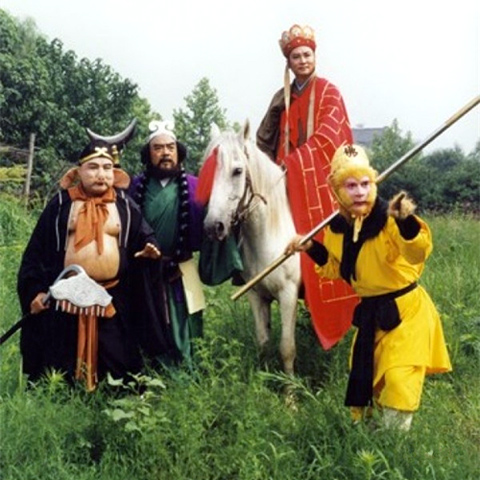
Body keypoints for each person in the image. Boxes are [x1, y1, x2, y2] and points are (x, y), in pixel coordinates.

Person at [285, 144, 452, 430]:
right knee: (368, 379)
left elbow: (418, 253)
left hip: (407, 314)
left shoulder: (390, 219)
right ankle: (370, 438)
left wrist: (406, 221)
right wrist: (311, 247)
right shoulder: (337, 228)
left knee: (399, 378)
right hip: (371, 316)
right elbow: (338, 269)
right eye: (350, 186)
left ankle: (396, 444)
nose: (360, 192)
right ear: (336, 190)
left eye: (365, 184)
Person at [17, 120, 161, 391]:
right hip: (65, 298)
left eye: (107, 168)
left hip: (111, 296)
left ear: (115, 173)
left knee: (118, 365)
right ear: (78, 172)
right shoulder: (60, 205)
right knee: (57, 367)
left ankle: (115, 396)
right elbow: (35, 253)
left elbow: (145, 236)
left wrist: (149, 249)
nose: (100, 174)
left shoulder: (125, 205)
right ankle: (60, 398)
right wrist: (34, 291)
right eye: (93, 167)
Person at [256, 23, 358, 350]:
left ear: (314, 57)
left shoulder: (329, 91)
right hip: (285, 180)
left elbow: (330, 135)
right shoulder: (282, 98)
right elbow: (265, 139)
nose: (302, 61)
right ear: (288, 62)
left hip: (320, 182)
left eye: (306, 55)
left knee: (331, 239)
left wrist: (295, 161)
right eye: (296, 57)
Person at [129, 120, 205, 368]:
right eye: (158, 148)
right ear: (148, 154)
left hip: (182, 266)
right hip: (145, 268)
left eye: (170, 148)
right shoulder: (134, 187)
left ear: (178, 152)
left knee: (187, 316)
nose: (165, 153)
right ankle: (151, 369)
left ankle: (187, 367)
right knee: (147, 317)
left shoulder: (196, 186)